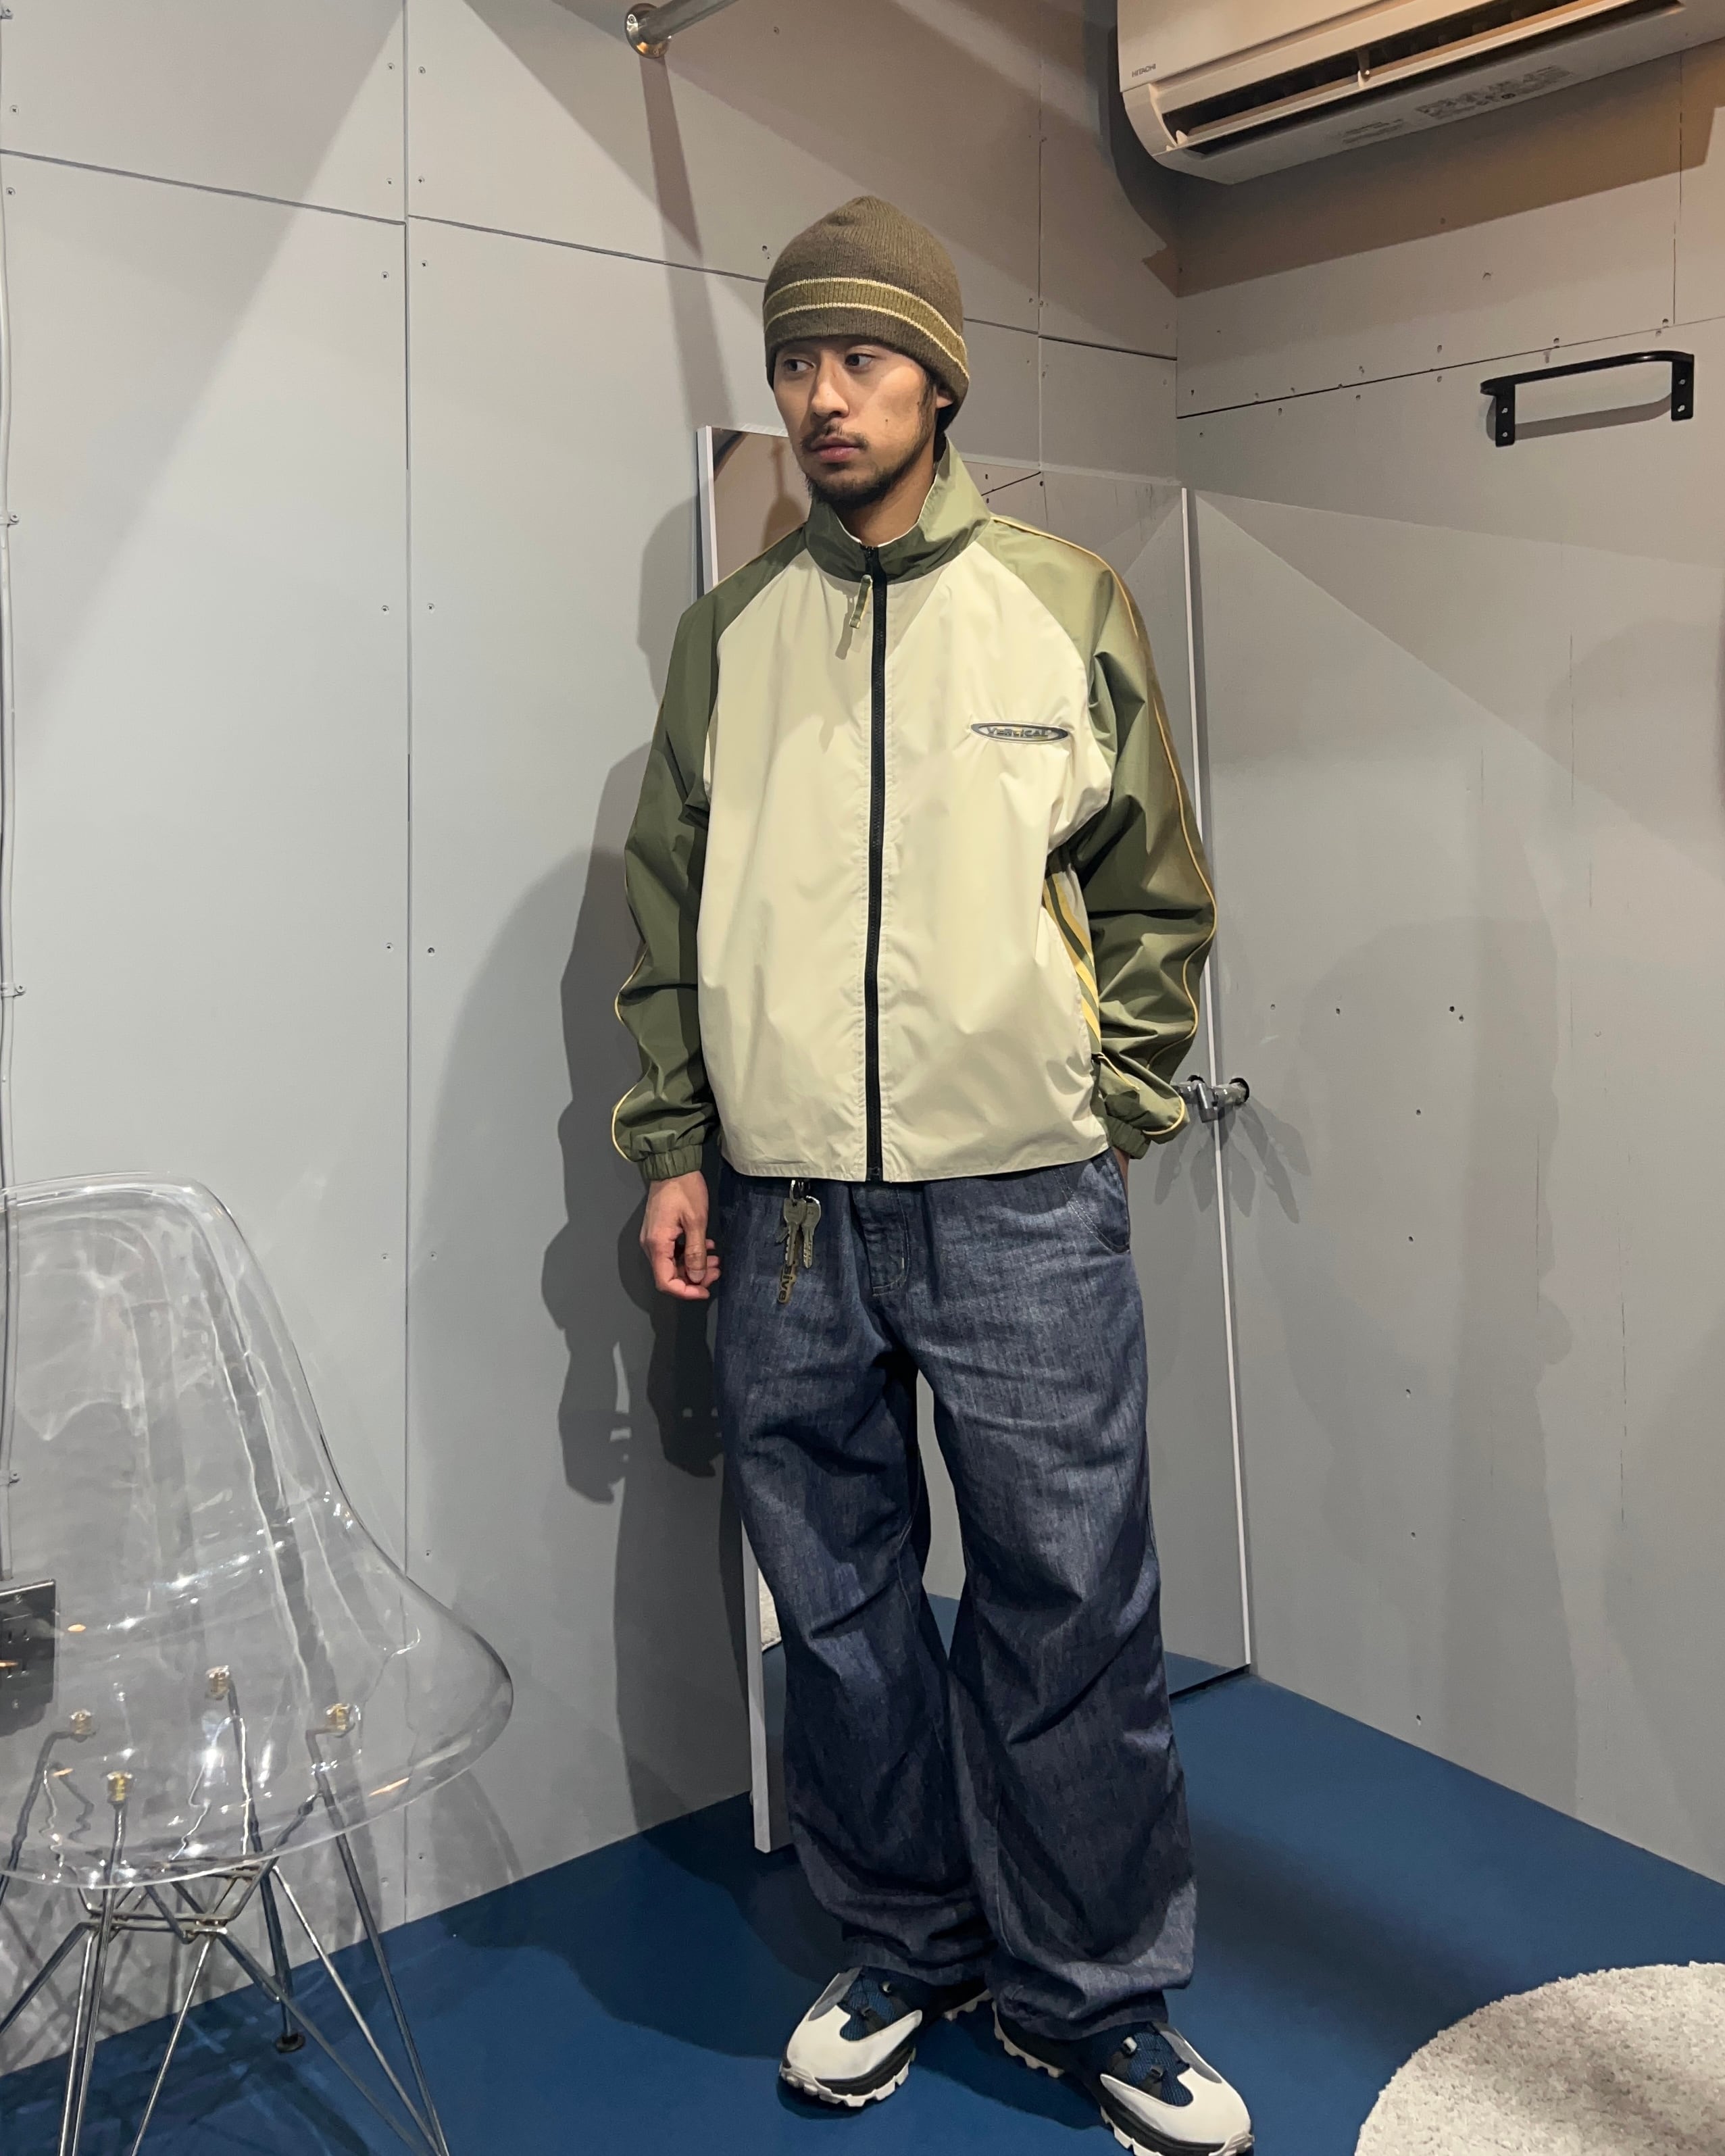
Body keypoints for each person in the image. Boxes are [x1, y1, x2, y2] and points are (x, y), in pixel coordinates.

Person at [614, 195, 1251, 2156]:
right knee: (839, 1610)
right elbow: (669, 910)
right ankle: (903, 1943)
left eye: (864, 357)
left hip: (1018, 1208)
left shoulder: (1062, 603)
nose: (824, 395)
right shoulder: (732, 639)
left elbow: (1152, 889)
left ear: (938, 381)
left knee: (1071, 1606)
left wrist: (1104, 1096)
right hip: (786, 1214)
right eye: (798, 362)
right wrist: (675, 1141)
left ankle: (1096, 1992)